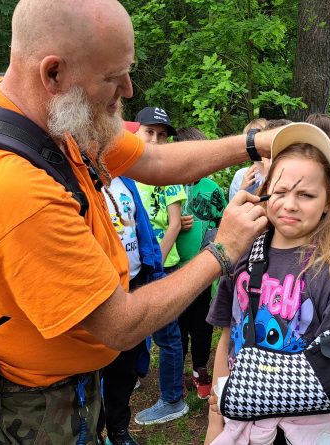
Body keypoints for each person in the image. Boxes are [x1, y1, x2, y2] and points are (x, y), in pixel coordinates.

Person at [0, 0, 274, 442]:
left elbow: (154, 161)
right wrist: (223, 250)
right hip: (28, 406)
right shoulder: (13, 191)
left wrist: (254, 143)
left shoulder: (37, 113)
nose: (128, 89)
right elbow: (119, 324)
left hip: (62, 384)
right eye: (113, 77)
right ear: (53, 73)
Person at [205, 123, 330, 444]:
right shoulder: (241, 256)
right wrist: (215, 418)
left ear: (329, 201)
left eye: (306, 194)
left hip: (309, 429)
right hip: (243, 419)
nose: (290, 204)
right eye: (280, 192)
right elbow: (228, 336)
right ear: (266, 191)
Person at [98, 124, 167, 443]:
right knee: (97, 362)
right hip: (102, 287)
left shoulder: (125, 180)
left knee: (126, 363)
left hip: (134, 281)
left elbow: (141, 230)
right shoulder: (81, 181)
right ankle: (93, 427)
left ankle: (118, 427)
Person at [132, 106, 191, 424]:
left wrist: (154, 266)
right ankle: (133, 374)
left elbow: (173, 224)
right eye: (150, 132)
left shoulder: (170, 174)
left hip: (161, 267)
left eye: (162, 135)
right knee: (133, 326)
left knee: (167, 336)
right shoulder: (126, 171)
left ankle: (172, 399)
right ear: (136, 132)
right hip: (132, 267)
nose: (156, 140)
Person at [174, 127, 228, 400]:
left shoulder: (212, 189)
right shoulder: (168, 185)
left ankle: (200, 368)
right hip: (173, 269)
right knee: (177, 325)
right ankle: (176, 372)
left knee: (202, 324)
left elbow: (222, 223)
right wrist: (175, 224)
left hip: (203, 269)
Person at [229, 119, 269, 200]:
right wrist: (242, 190)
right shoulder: (241, 175)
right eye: (250, 140)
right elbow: (232, 206)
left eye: (260, 137)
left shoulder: (280, 171)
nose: (256, 145)